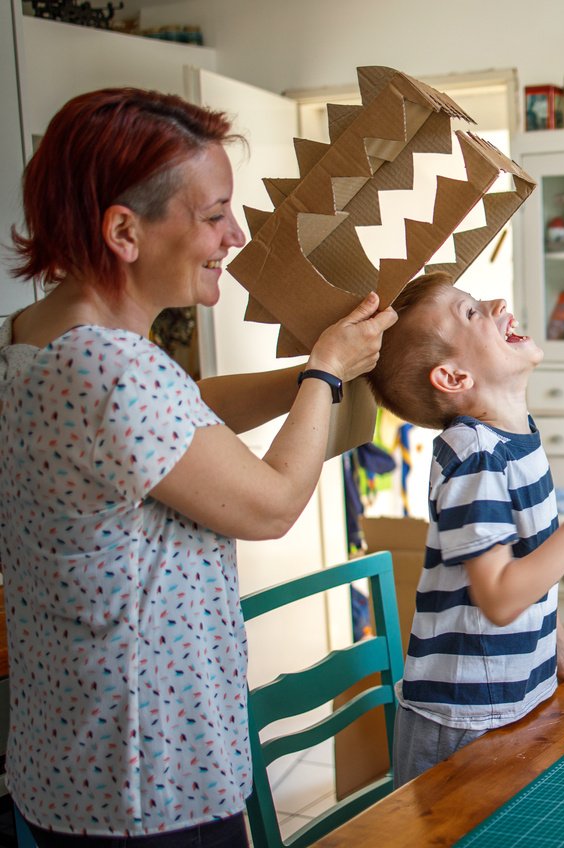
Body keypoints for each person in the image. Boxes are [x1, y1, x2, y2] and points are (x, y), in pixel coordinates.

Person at [0, 88, 397, 843]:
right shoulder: (113, 372)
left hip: (67, 762)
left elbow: (185, 411)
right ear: (124, 230)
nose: (236, 235)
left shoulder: (35, 337)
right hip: (150, 780)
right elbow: (273, 504)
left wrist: (308, 375)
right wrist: (324, 373)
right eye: (214, 214)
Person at [363, 271, 564, 784]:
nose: (496, 302)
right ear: (453, 378)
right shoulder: (476, 456)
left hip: (511, 700)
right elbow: (498, 595)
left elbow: (531, 563)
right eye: (471, 312)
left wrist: (561, 655)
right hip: (462, 721)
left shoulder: (513, 437)